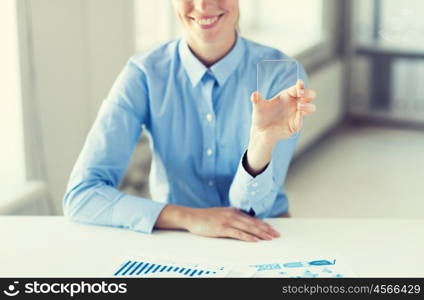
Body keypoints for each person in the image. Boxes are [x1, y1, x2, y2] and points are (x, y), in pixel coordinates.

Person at [63, 0, 317, 242]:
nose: (203, 5)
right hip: (175, 237)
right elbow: (82, 196)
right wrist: (189, 217)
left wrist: (261, 143)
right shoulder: (143, 74)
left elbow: (253, 210)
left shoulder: (281, 74)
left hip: (264, 233)